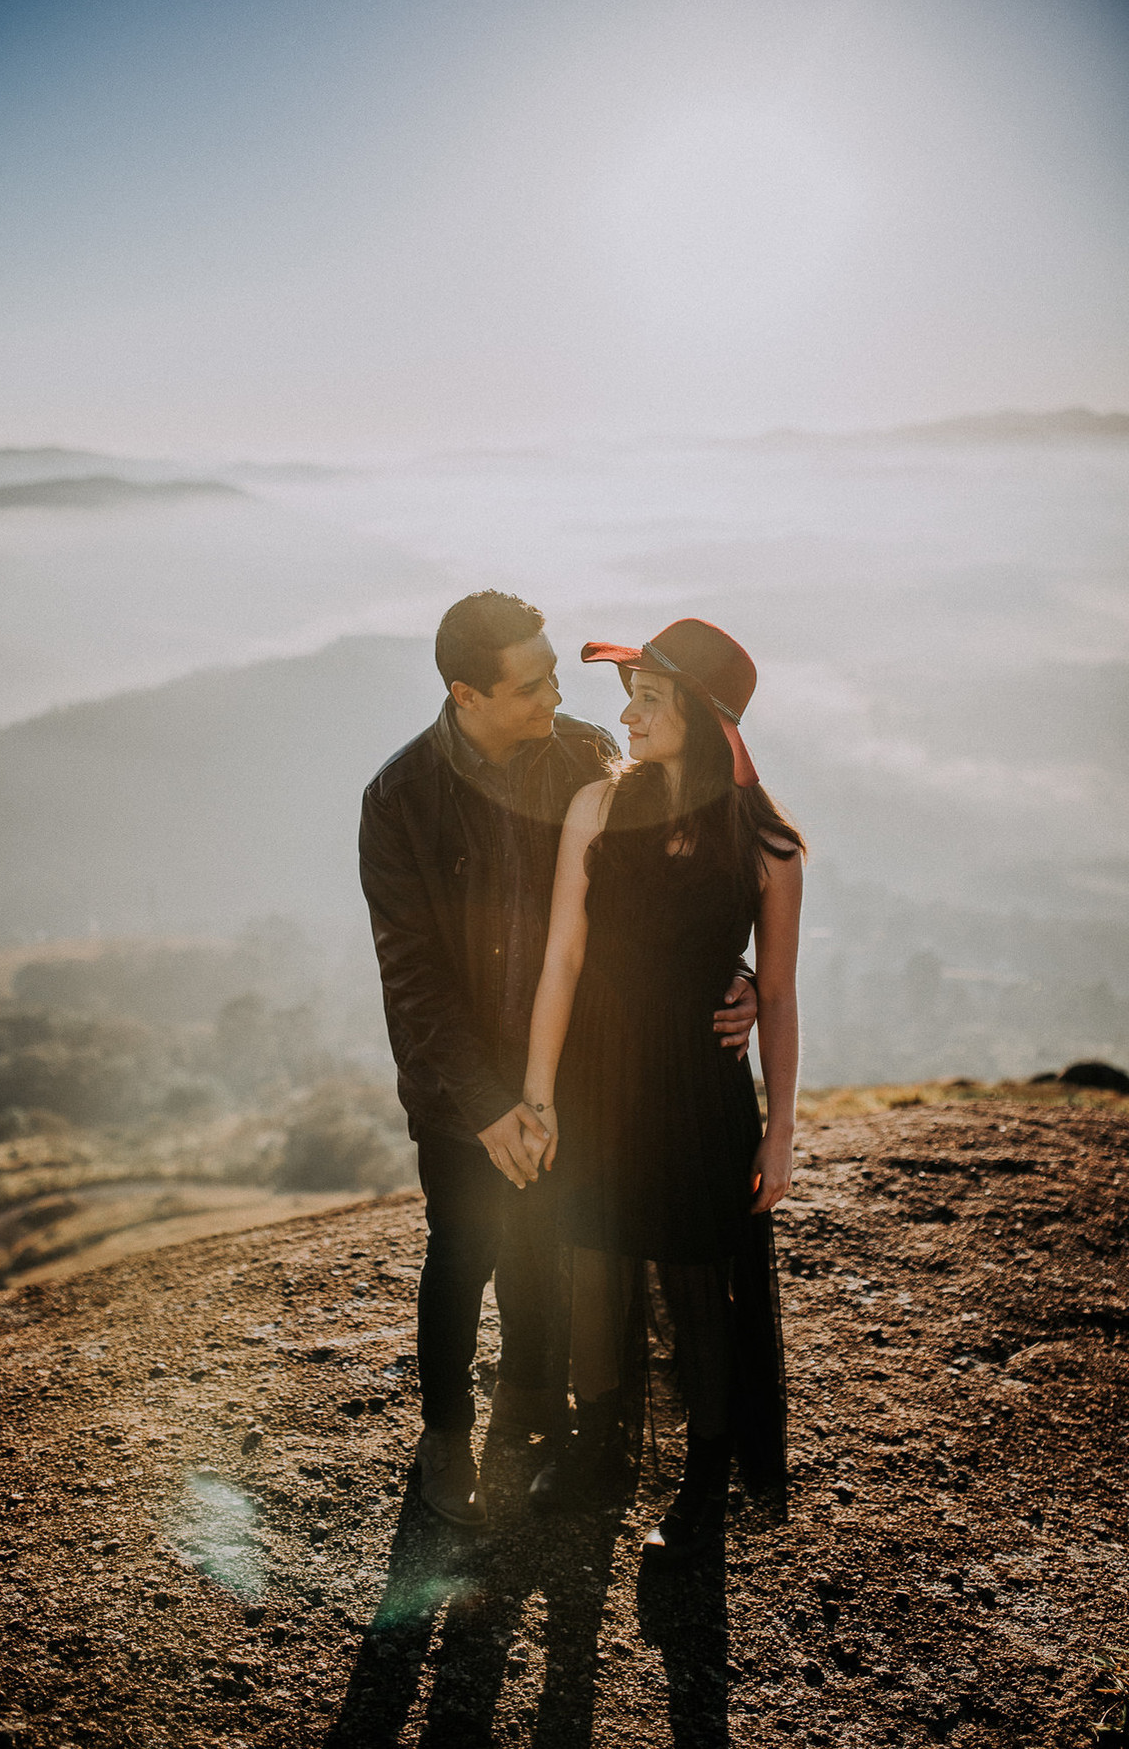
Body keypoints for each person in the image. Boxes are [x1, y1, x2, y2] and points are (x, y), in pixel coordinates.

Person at [358, 592, 759, 1528]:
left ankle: (531, 1416)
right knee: (464, 1248)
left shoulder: (584, 758)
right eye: (532, 685)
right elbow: (411, 976)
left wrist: (732, 972)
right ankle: (446, 1435)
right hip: (462, 1085)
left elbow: (669, 884)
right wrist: (492, 1104)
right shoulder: (400, 799)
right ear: (467, 694)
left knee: (554, 1244)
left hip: (578, 1071)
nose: (556, 698)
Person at [521, 617, 803, 1561]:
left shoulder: (769, 847)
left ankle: (704, 1482)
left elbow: (783, 996)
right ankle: (597, 1448)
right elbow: (562, 959)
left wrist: (782, 1135)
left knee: (698, 1283)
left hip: (701, 1092)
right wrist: (540, 1092)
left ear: (699, 717)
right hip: (599, 1076)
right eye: (629, 702)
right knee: (595, 1261)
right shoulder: (598, 810)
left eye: (648, 703)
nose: (630, 721)